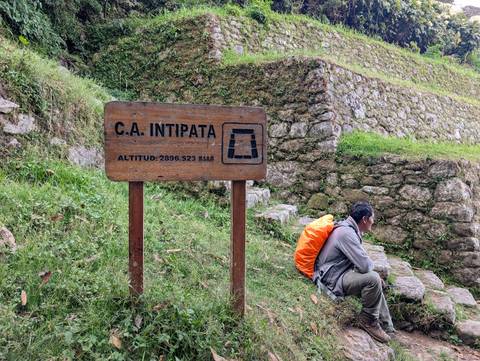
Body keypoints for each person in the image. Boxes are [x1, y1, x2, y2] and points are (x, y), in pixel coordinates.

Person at [313, 201, 394, 343]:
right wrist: (371, 271)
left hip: (337, 272)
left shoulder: (349, 229)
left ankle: (388, 328)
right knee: (373, 279)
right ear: (364, 219)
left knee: (376, 282)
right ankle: (367, 320)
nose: (373, 221)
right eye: (372, 218)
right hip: (331, 279)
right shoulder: (346, 233)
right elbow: (365, 266)